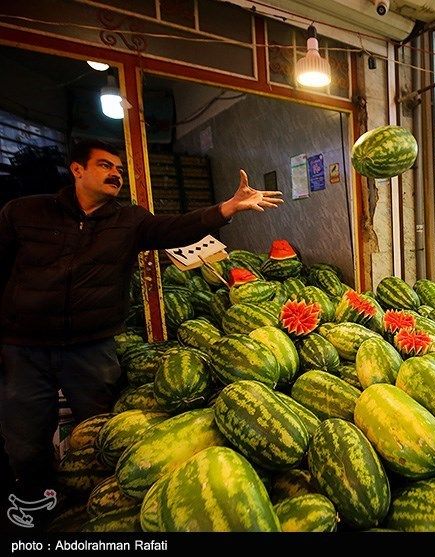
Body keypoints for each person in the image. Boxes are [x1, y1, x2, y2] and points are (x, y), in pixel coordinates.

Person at [0, 139, 283, 511]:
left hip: (91, 344)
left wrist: (228, 208)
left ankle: (99, 504)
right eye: (104, 165)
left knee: (103, 430)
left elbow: (178, 228)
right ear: (77, 170)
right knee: (25, 435)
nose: (115, 173)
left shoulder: (128, 220)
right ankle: (35, 504)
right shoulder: (24, 213)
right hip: (26, 344)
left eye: (118, 168)